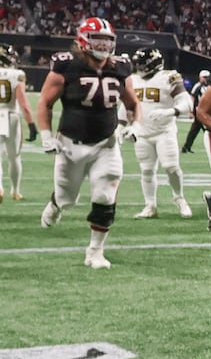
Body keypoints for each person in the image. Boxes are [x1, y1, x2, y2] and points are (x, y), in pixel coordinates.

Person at [37, 17, 140, 269]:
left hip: (106, 144)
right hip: (70, 144)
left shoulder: (121, 67)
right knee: (67, 197)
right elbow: (45, 103)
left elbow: (133, 104)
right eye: (98, 40)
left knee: (105, 196)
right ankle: (56, 203)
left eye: (108, 41)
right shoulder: (66, 66)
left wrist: (133, 124)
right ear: (83, 40)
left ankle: (95, 251)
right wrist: (46, 135)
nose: (104, 46)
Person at [128, 48, 194, 219]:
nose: (140, 68)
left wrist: (171, 112)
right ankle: (150, 205)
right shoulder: (133, 80)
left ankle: (179, 198)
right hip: (142, 132)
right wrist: (123, 127)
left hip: (164, 131)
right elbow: (126, 106)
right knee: (147, 170)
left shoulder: (168, 77)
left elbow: (187, 102)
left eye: (143, 64)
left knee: (171, 167)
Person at [0, 43, 38, 202]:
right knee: (14, 156)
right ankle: (15, 191)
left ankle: (0, 187)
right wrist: (31, 124)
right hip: (11, 116)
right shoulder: (17, 74)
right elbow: (24, 103)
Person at [180, 71, 211, 154]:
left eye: (207, 77)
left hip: (207, 111)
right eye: (204, 77)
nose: (206, 79)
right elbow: (192, 98)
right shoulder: (198, 86)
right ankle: (187, 147)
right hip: (199, 111)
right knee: (207, 130)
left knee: (196, 130)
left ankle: (186, 147)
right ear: (200, 77)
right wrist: (191, 111)